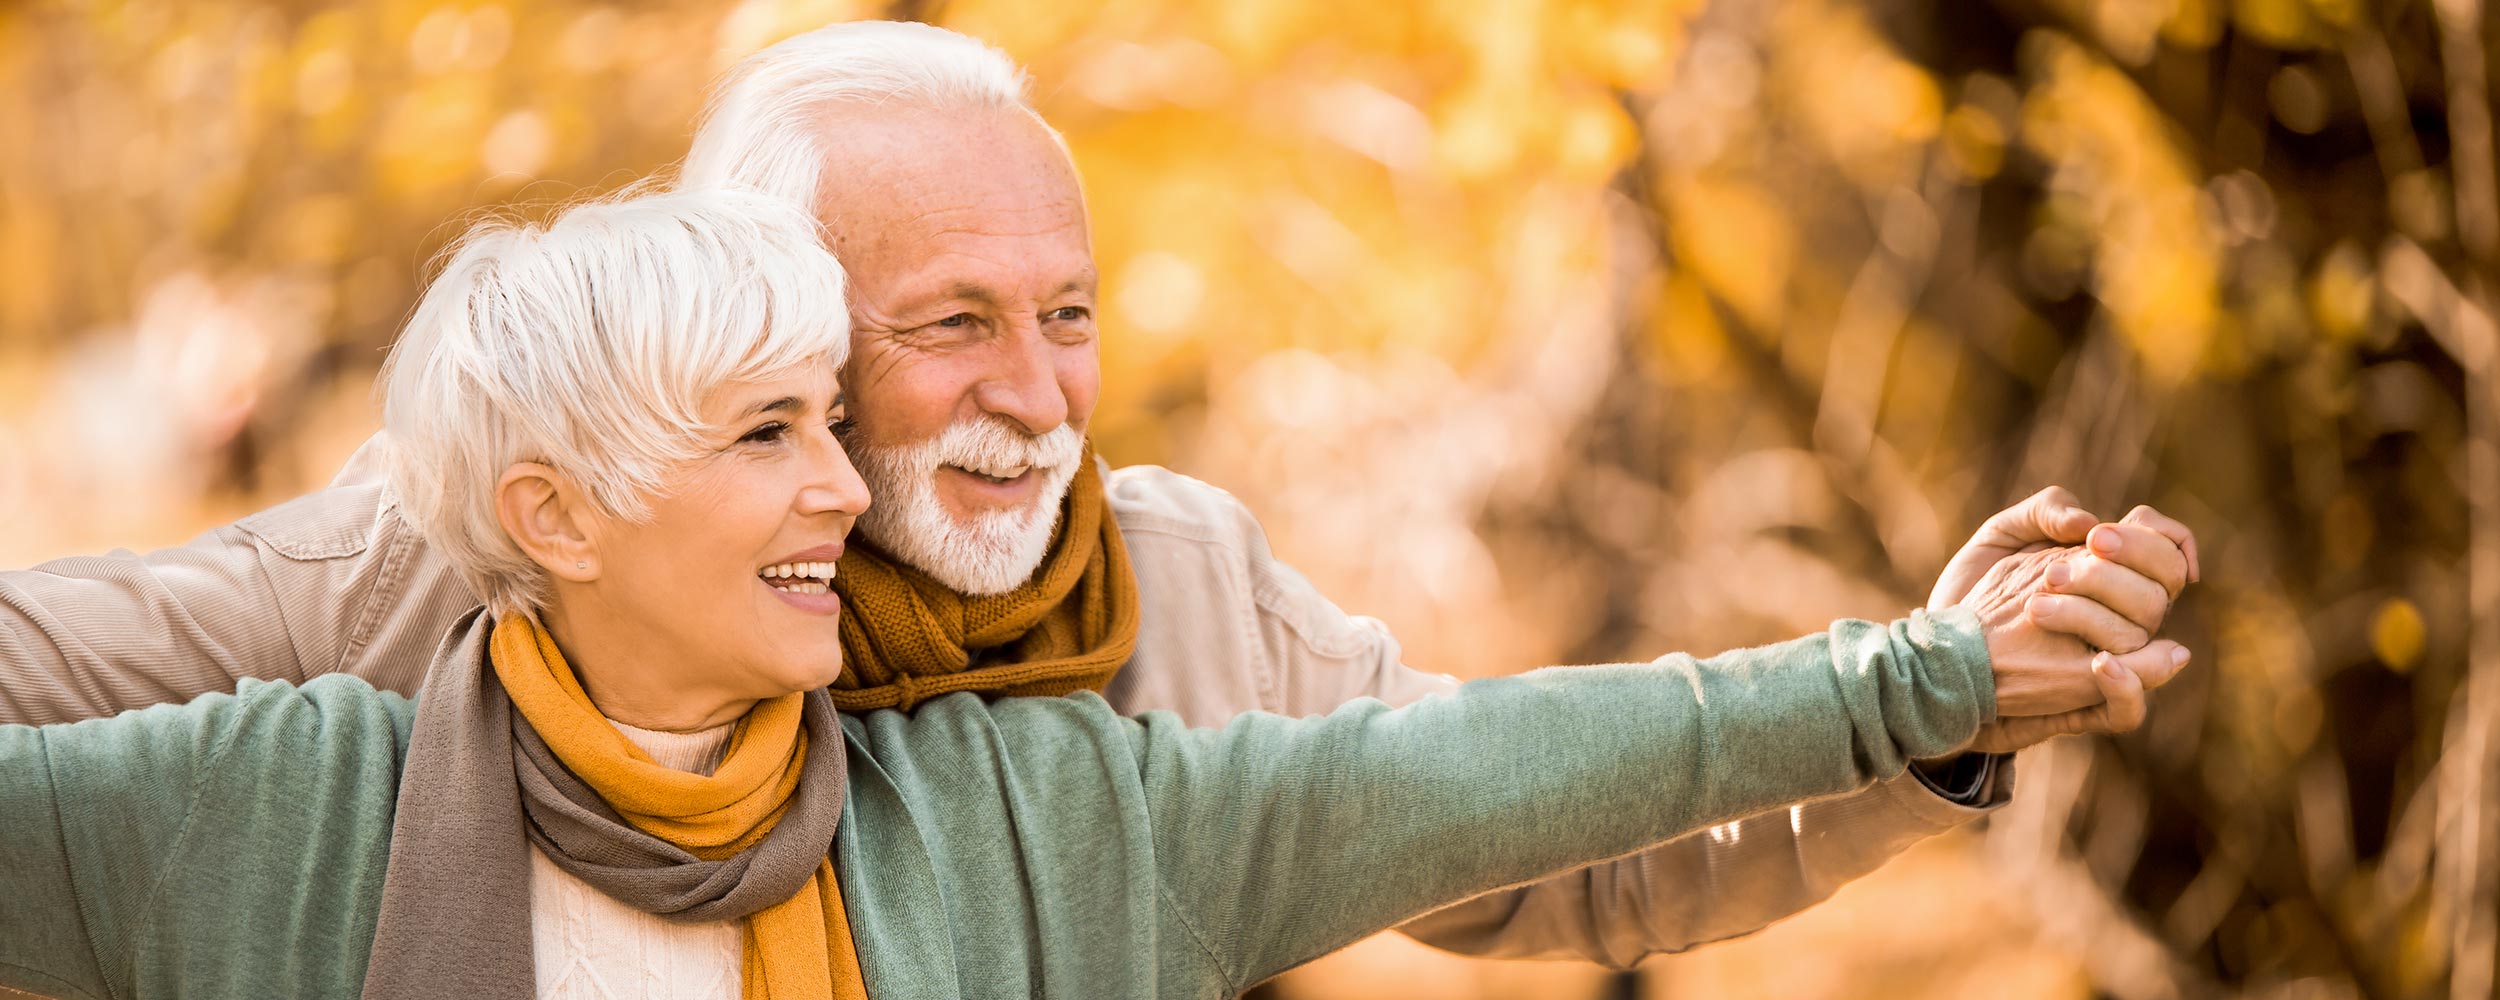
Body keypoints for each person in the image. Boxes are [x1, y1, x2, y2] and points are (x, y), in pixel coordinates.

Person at [0, 21, 2201, 967]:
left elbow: (1570, 849)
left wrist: (1926, 716)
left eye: (1067, 313)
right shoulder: (449, 560)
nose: (1036, 395)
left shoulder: (1162, 583)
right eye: (950, 322)